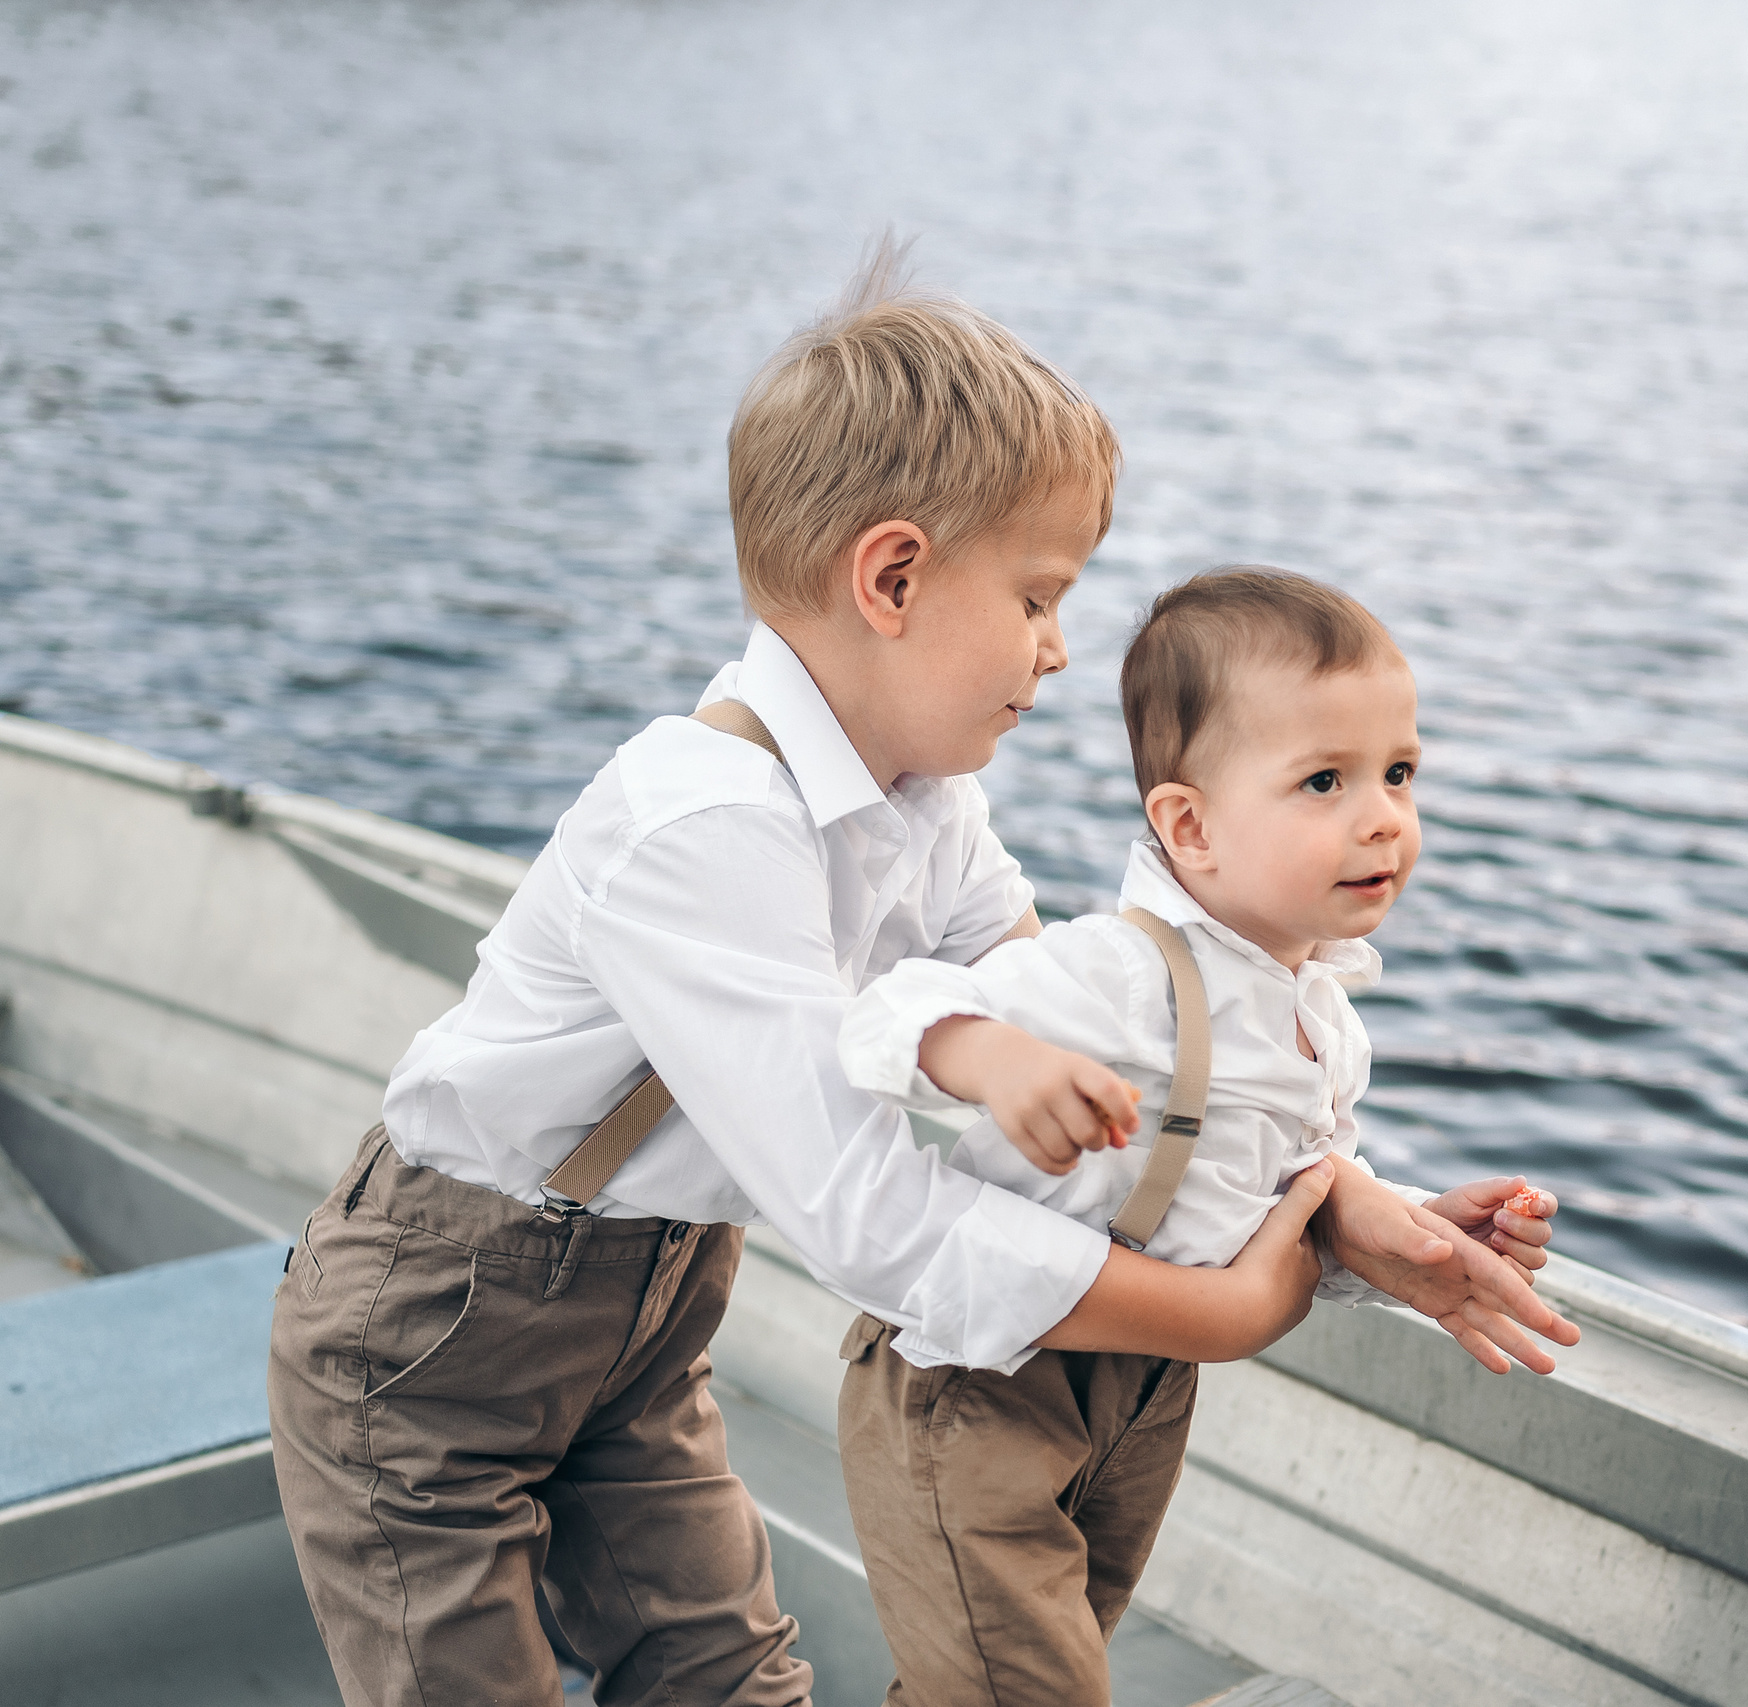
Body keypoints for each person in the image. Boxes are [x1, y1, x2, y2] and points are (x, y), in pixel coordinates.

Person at [266, 253, 1567, 1707]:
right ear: (891, 575)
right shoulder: (700, 829)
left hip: (651, 1301)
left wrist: (1337, 1210)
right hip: (437, 1326)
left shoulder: (924, 799)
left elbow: (1083, 1041)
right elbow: (867, 1211)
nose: (1061, 651)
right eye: (1037, 597)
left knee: (727, 1670)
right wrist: (1221, 1311)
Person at [831, 567, 1578, 1706]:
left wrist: (1402, 1233)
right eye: (1324, 780)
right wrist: (991, 1054)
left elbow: (1268, 1207)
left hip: (1145, 1391)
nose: (1383, 814)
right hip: (982, 1386)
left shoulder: (1320, 1018)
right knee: (1019, 1691)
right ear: (1189, 826)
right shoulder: (1118, 975)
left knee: (1034, 1663)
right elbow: (883, 1014)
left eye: (1399, 773)